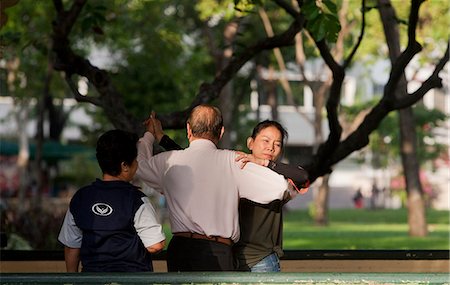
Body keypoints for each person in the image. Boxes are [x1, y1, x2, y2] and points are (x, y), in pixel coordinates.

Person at [136, 105, 296, 272]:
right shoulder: (233, 162)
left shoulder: (167, 161)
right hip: (218, 249)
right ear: (221, 132)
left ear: (188, 129)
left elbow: (139, 166)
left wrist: (149, 135)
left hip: (180, 249)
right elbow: (279, 187)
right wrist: (261, 163)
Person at [58, 129, 165, 272]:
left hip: (92, 281)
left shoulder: (80, 198)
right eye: (135, 160)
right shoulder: (136, 200)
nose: (137, 164)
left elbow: (71, 246)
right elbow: (155, 245)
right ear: (124, 166)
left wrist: (73, 280)